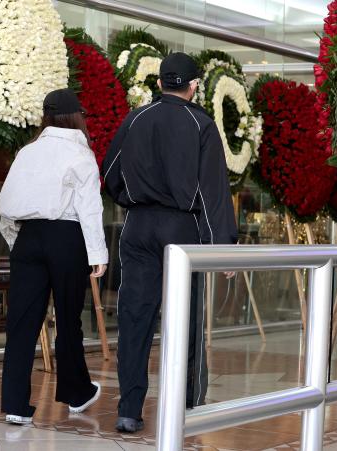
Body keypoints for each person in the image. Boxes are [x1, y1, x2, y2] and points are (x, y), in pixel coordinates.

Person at [101, 52, 237, 433]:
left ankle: (129, 410)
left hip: (139, 225)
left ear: (160, 82)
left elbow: (110, 173)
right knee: (188, 319)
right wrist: (221, 247)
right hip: (183, 230)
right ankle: (188, 406)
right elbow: (213, 193)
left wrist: (132, 199)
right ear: (194, 86)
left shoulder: (136, 118)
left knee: (134, 318)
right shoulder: (202, 125)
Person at [0, 89, 109, 425]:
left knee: (21, 322)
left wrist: (16, 239)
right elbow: (89, 208)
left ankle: (16, 405)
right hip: (68, 239)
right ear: (77, 116)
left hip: (29, 237)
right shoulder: (81, 154)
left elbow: (7, 202)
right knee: (68, 318)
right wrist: (97, 253)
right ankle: (76, 393)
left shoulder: (27, 152)